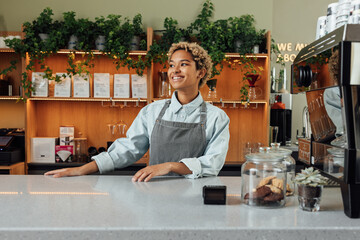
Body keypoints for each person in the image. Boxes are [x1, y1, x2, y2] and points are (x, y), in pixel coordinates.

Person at [45, 42, 230, 182]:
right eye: (172, 65)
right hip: (154, 191)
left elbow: (213, 163)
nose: (175, 70)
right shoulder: (152, 111)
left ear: (201, 72)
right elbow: (128, 149)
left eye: (184, 64)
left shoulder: (217, 117)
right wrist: (81, 170)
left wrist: (170, 166)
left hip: (196, 197)